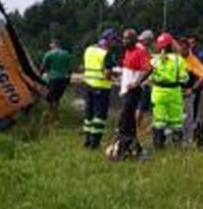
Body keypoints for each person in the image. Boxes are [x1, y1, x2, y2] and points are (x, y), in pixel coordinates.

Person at [111, 28, 152, 159]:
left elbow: (149, 68)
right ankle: (134, 149)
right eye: (123, 38)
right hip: (125, 91)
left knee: (124, 121)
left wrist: (137, 83)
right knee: (129, 123)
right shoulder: (127, 51)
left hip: (133, 92)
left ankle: (122, 149)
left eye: (128, 39)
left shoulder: (140, 51)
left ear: (135, 40)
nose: (124, 41)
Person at [148, 32, 189, 148]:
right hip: (174, 92)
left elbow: (150, 77)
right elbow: (184, 79)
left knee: (159, 121)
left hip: (158, 93)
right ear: (171, 45)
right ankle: (177, 146)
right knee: (176, 121)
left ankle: (158, 145)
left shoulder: (155, 60)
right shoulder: (179, 60)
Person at [80, 29, 117, 149]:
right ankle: (95, 143)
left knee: (89, 114)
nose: (114, 44)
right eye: (113, 40)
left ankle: (87, 139)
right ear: (108, 40)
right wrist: (114, 75)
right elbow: (107, 74)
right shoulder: (106, 54)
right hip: (101, 87)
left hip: (88, 85)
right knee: (99, 116)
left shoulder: (89, 50)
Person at [38, 38, 73, 124]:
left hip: (53, 78)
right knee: (57, 99)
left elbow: (43, 67)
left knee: (49, 99)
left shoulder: (49, 54)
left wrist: (39, 77)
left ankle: (47, 117)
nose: (50, 46)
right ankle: (56, 118)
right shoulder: (66, 54)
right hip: (63, 79)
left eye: (51, 44)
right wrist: (68, 80)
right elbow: (69, 69)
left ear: (53, 44)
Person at [186, 34, 203, 121]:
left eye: (193, 43)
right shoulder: (187, 52)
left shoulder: (202, 53)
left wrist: (201, 82)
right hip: (188, 81)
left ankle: (194, 120)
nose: (191, 45)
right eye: (189, 43)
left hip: (198, 81)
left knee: (194, 102)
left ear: (197, 42)